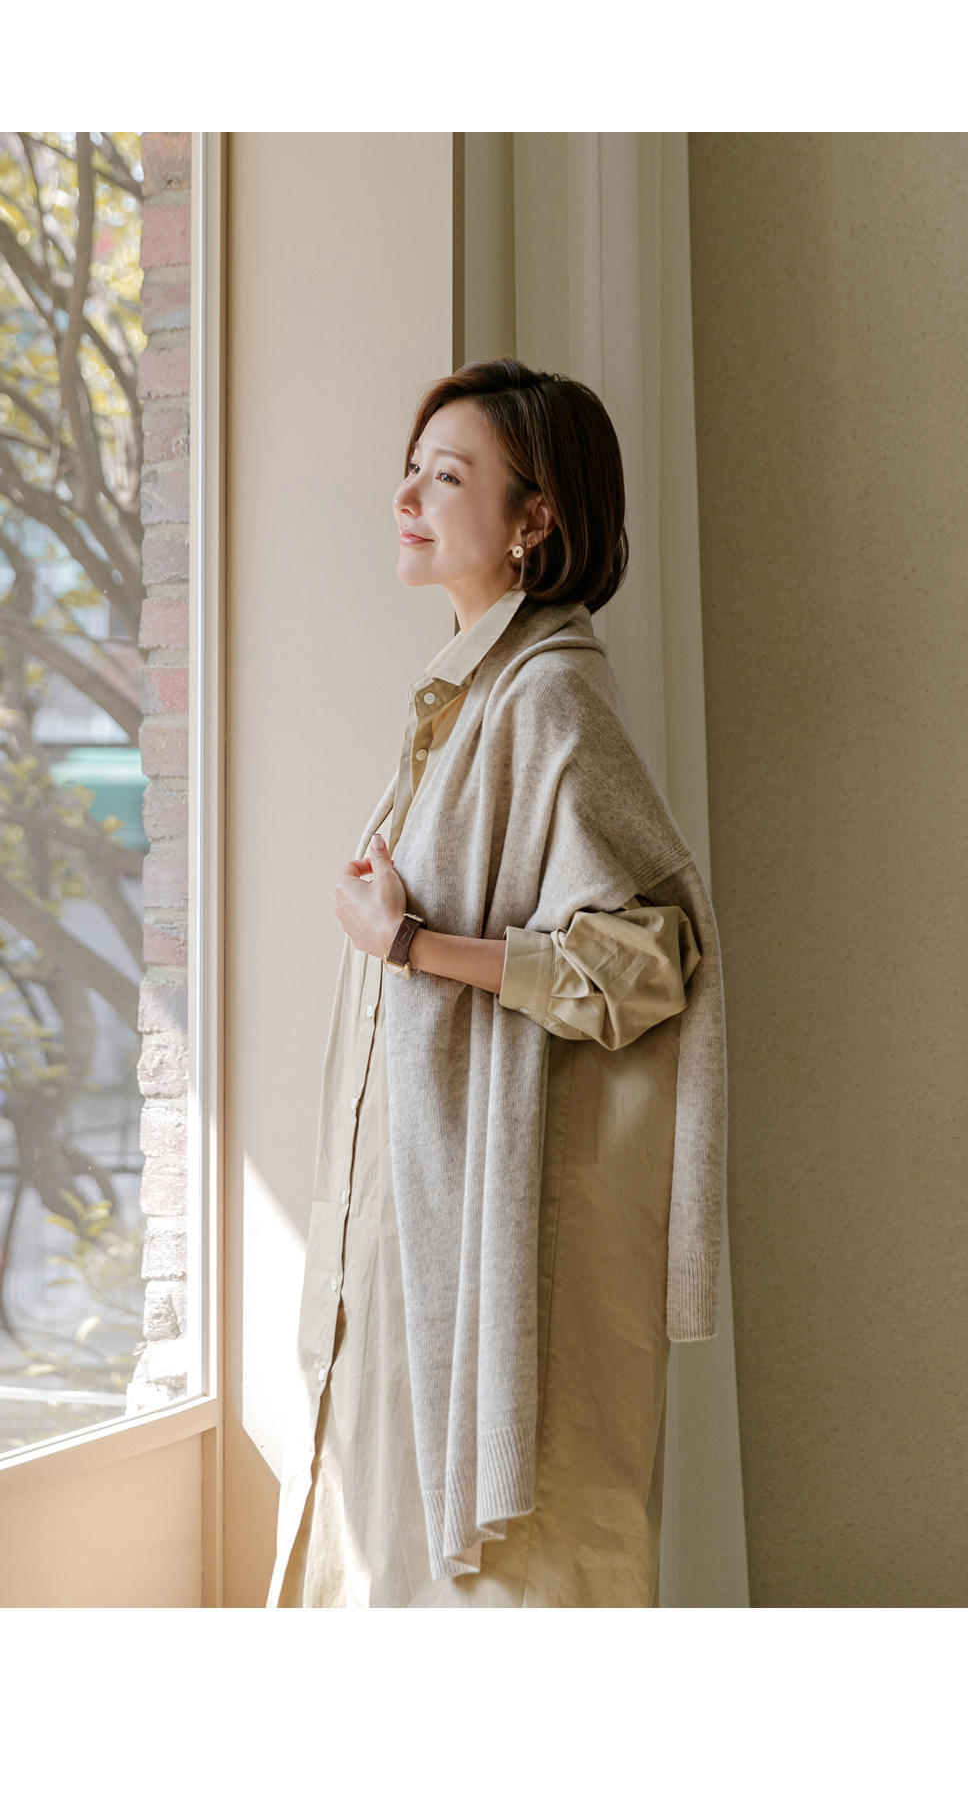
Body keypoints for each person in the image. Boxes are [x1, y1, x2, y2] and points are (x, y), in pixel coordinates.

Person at [267, 358, 727, 1609]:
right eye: (410, 470)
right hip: (419, 1197)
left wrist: (411, 943)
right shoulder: (469, 696)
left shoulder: (549, 696)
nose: (407, 496)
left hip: (482, 1215)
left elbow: (645, 963)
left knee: (500, 1579)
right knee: (388, 1541)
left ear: (535, 518)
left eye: (446, 475)